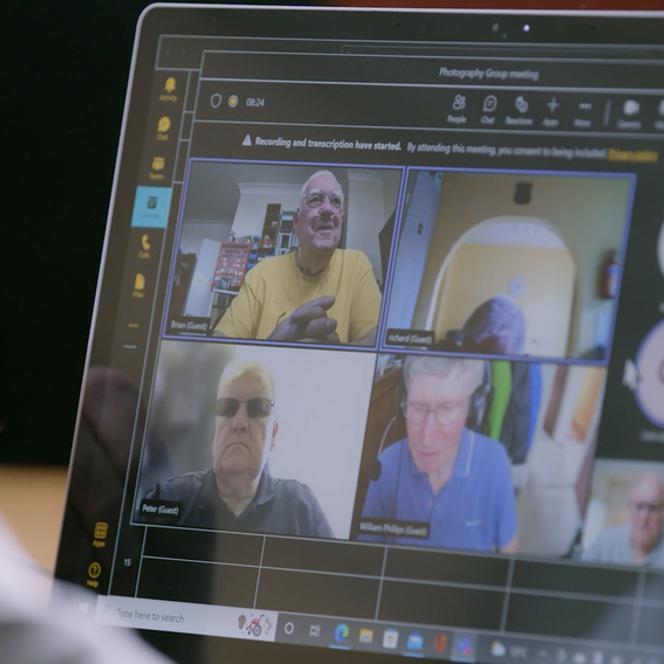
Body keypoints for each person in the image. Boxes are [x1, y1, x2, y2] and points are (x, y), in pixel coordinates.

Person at [143, 361, 333, 537]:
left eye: (258, 408)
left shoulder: (300, 506)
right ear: (213, 429)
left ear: (273, 434)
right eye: (227, 407)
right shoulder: (169, 497)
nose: (240, 422)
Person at [360, 356, 518, 553]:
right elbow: (366, 553)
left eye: (447, 409)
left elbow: (508, 549)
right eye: (417, 407)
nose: (427, 438)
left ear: (471, 411)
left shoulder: (494, 461)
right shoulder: (388, 463)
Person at [214, 170, 382, 345]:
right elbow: (220, 344)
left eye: (335, 201)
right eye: (315, 199)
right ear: (296, 222)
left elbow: (375, 339)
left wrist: (335, 357)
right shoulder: (261, 273)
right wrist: (271, 347)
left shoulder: (357, 265)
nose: (327, 209)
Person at [582, 474, 664, 567]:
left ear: (662, 513)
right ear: (630, 509)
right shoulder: (605, 543)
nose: (644, 516)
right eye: (639, 506)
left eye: (652, 508)